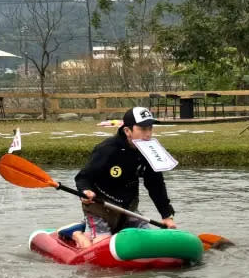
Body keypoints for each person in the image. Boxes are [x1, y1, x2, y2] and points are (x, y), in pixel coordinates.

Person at [65, 106, 176, 248]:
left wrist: (166, 215)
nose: (148, 134)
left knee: (149, 242)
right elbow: (83, 177)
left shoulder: (150, 151)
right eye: (142, 129)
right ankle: (77, 234)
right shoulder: (107, 149)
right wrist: (85, 191)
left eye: (150, 128)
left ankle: (92, 230)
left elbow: (155, 184)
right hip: (99, 208)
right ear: (127, 131)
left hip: (128, 210)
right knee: (102, 246)